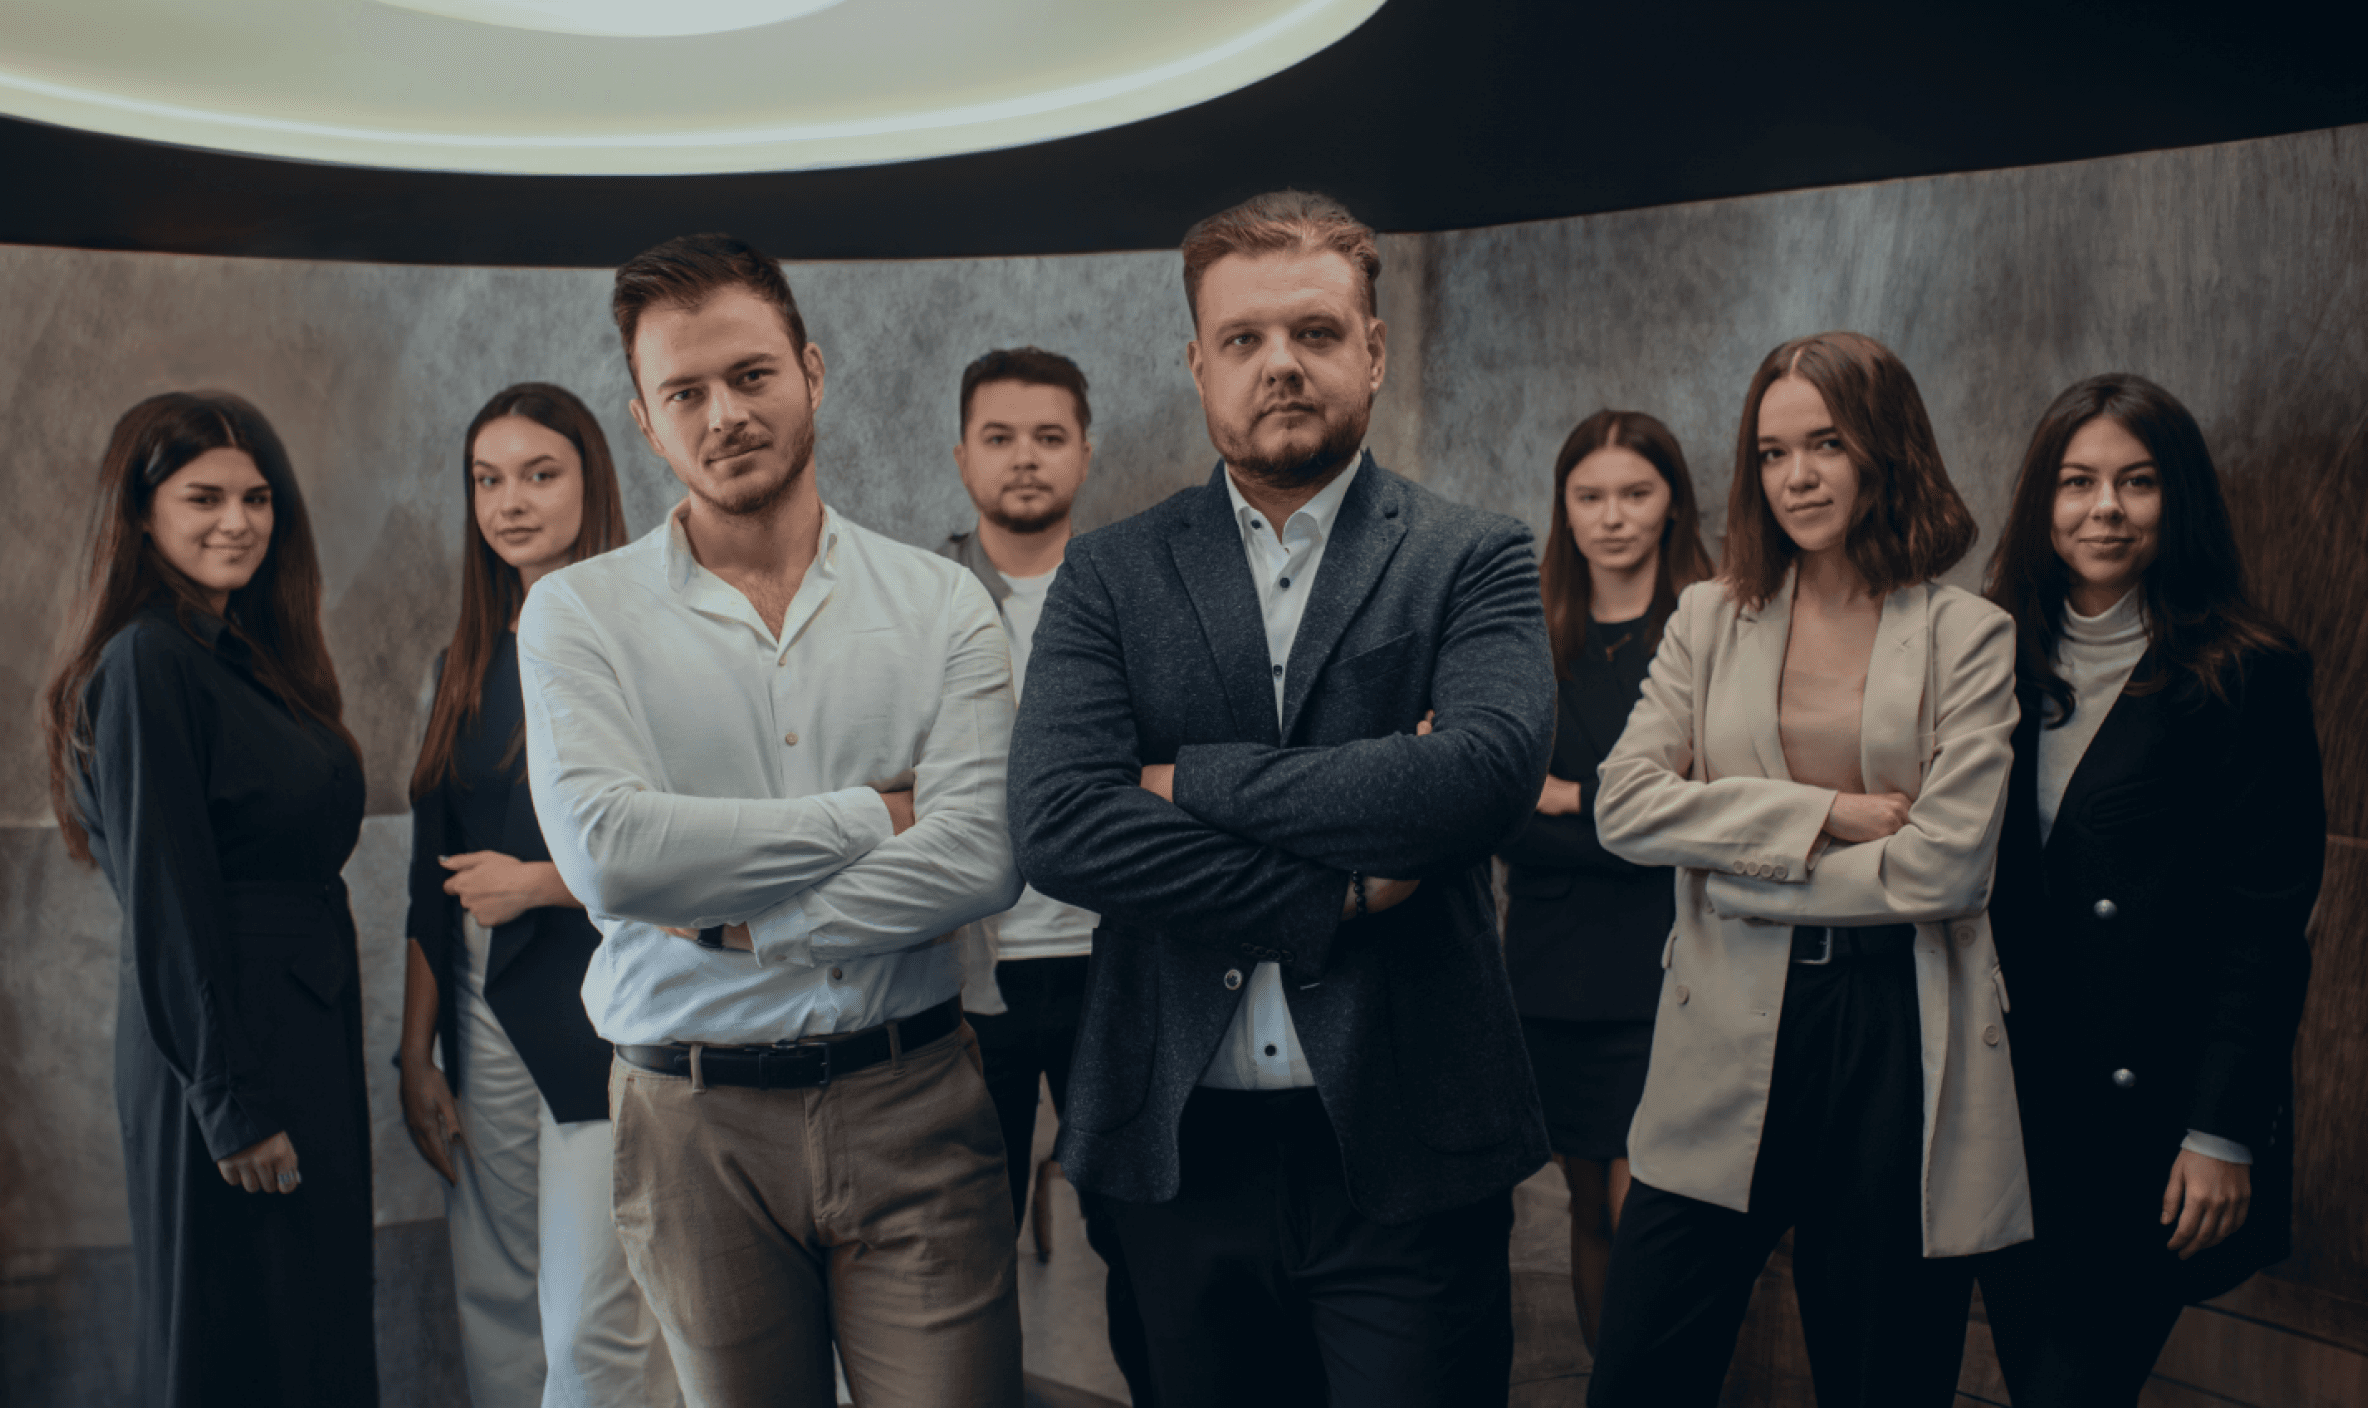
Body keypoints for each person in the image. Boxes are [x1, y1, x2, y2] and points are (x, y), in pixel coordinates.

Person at [1007, 189, 1557, 1408]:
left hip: (1412, 1139)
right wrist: (1337, 888)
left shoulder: (1470, 555)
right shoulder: (1109, 572)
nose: (1281, 365)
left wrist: (1185, 778)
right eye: (1244, 338)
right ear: (1198, 364)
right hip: (1176, 1148)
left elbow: (1478, 776)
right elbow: (1058, 823)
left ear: (1373, 348)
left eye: (1314, 332)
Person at [518, 232, 1025, 1408]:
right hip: (692, 1125)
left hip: (913, 1100)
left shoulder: (940, 601)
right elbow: (610, 856)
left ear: (811, 370)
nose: (725, 415)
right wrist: (869, 814)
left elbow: (981, 855)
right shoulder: (577, 614)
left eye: (751, 375)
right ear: (646, 423)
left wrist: (746, 923)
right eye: (684, 393)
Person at [1585, 331, 2027, 1408]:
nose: (1798, 477)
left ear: (1886, 447)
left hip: (1895, 1027)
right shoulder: (1709, 616)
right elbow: (1625, 806)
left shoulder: (1969, 634)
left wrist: (1740, 876)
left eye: (1826, 444)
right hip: (1723, 1014)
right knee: (1641, 1369)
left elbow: (1947, 870)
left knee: (1883, 1373)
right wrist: (1820, 813)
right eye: (1772, 453)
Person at [1976, 374, 2322, 1405]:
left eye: (2137, 481)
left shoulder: (2245, 673)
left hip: (2150, 1117)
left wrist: (2221, 1129)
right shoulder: (1985, 656)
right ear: (2041, 501)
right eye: (2076, 481)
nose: (2105, 509)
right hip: (2006, 1107)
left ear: (2180, 498)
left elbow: (2264, 924)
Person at [42, 392, 377, 1406]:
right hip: (227, 1051)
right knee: (237, 1347)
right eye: (204, 497)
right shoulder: (148, 658)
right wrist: (230, 1102)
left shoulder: (246, 657)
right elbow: (167, 896)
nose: (238, 521)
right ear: (141, 515)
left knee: (307, 1334)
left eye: (257, 498)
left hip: (292, 1033)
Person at [399, 383, 678, 1408]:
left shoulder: (646, 641)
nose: (510, 501)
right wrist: (415, 1053)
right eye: (487, 480)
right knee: (495, 1299)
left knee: (594, 1322)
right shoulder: (462, 664)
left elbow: (683, 852)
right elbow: (430, 881)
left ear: (590, 480)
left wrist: (540, 884)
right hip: (479, 1010)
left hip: (600, 1007)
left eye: (539, 474)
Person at [935, 347, 1158, 1401]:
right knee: (957, 1251)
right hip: (965, 980)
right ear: (961, 455)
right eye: (999, 436)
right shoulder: (920, 600)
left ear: (1085, 452)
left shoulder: (1139, 590)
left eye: (1048, 436)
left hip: (1116, 963)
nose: (1024, 458)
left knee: (1142, 1229)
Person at [1496, 409, 1715, 1350]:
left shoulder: (1712, 624)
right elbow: (1500, 820)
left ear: (1673, 504)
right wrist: (1631, 815)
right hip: (1556, 973)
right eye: (1590, 496)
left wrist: (1570, 800)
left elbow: (1713, 819)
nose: (1613, 516)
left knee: (1652, 1216)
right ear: (1565, 507)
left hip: (1677, 966)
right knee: (1589, 1206)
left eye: (1635, 493)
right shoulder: (1526, 632)